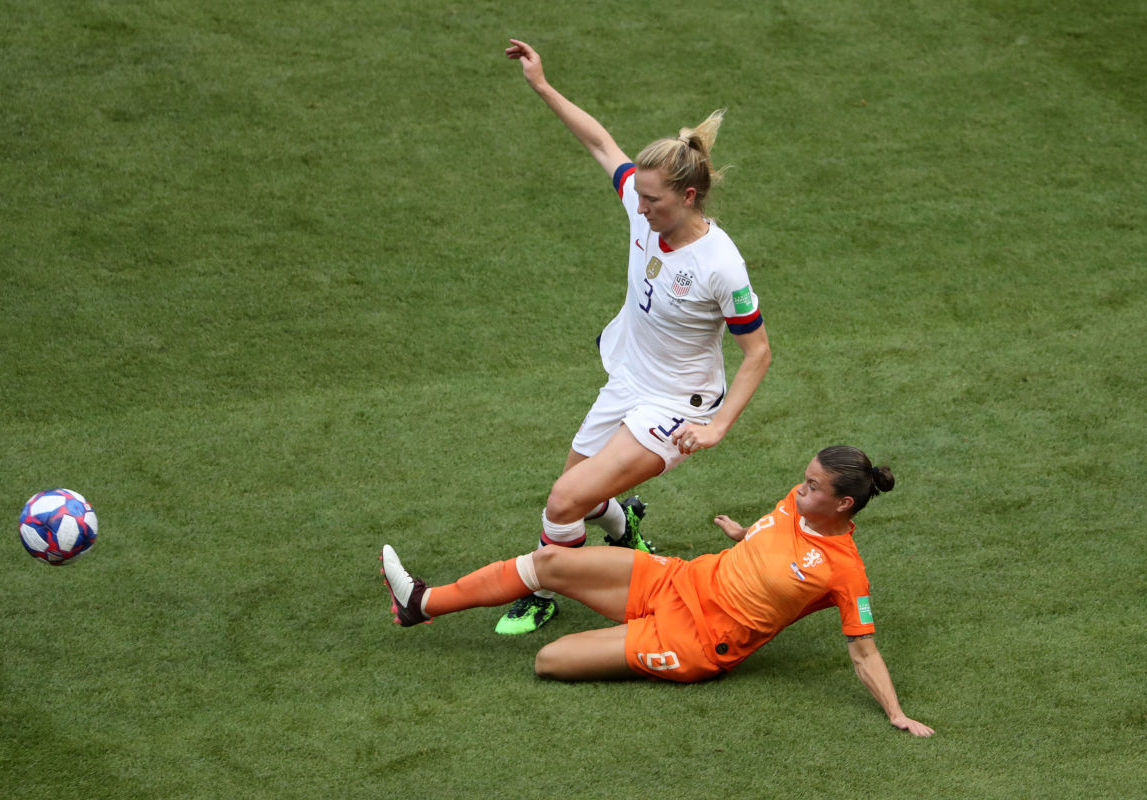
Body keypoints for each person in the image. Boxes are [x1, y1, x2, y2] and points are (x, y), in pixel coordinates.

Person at [495, 39, 772, 635]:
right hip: (628, 381)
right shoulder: (642, 206)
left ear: (687, 197)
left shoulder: (720, 266)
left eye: (652, 199)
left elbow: (758, 352)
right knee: (580, 496)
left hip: (676, 406)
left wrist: (719, 426)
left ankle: (545, 589)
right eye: (639, 194)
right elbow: (600, 143)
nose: (638, 206)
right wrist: (542, 85)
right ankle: (624, 528)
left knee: (563, 502)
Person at [381, 446, 935, 737]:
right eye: (805, 476)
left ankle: (635, 642)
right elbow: (772, 543)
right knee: (550, 561)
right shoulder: (796, 502)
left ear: (843, 504)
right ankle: (420, 604)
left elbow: (864, 649)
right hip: (679, 577)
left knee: (549, 660)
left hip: (696, 640)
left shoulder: (845, 572)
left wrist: (896, 714)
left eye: (814, 485)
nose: (800, 486)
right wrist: (741, 534)